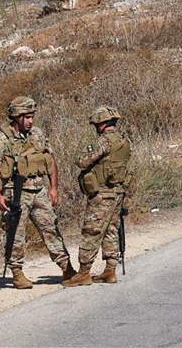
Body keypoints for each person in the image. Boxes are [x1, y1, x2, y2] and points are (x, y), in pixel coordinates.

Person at [0, 96, 75, 289]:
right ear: (17, 117)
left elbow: (50, 162)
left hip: (39, 189)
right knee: (16, 232)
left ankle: (67, 268)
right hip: (15, 191)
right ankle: (17, 273)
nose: (30, 121)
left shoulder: (38, 134)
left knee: (51, 228)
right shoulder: (1, 139)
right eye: (26, 117)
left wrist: (53, 188)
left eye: (32, 116)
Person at [65, 106, 132, 286]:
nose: (95, 127)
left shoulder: (104, 142)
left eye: (96, 124)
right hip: (118, 192)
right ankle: (110, 270)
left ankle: (84, 273)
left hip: (102, 194)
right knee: (111, 230)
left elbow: (82, 161)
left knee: (91, 231)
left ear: (102, 124)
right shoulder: (125, 141)